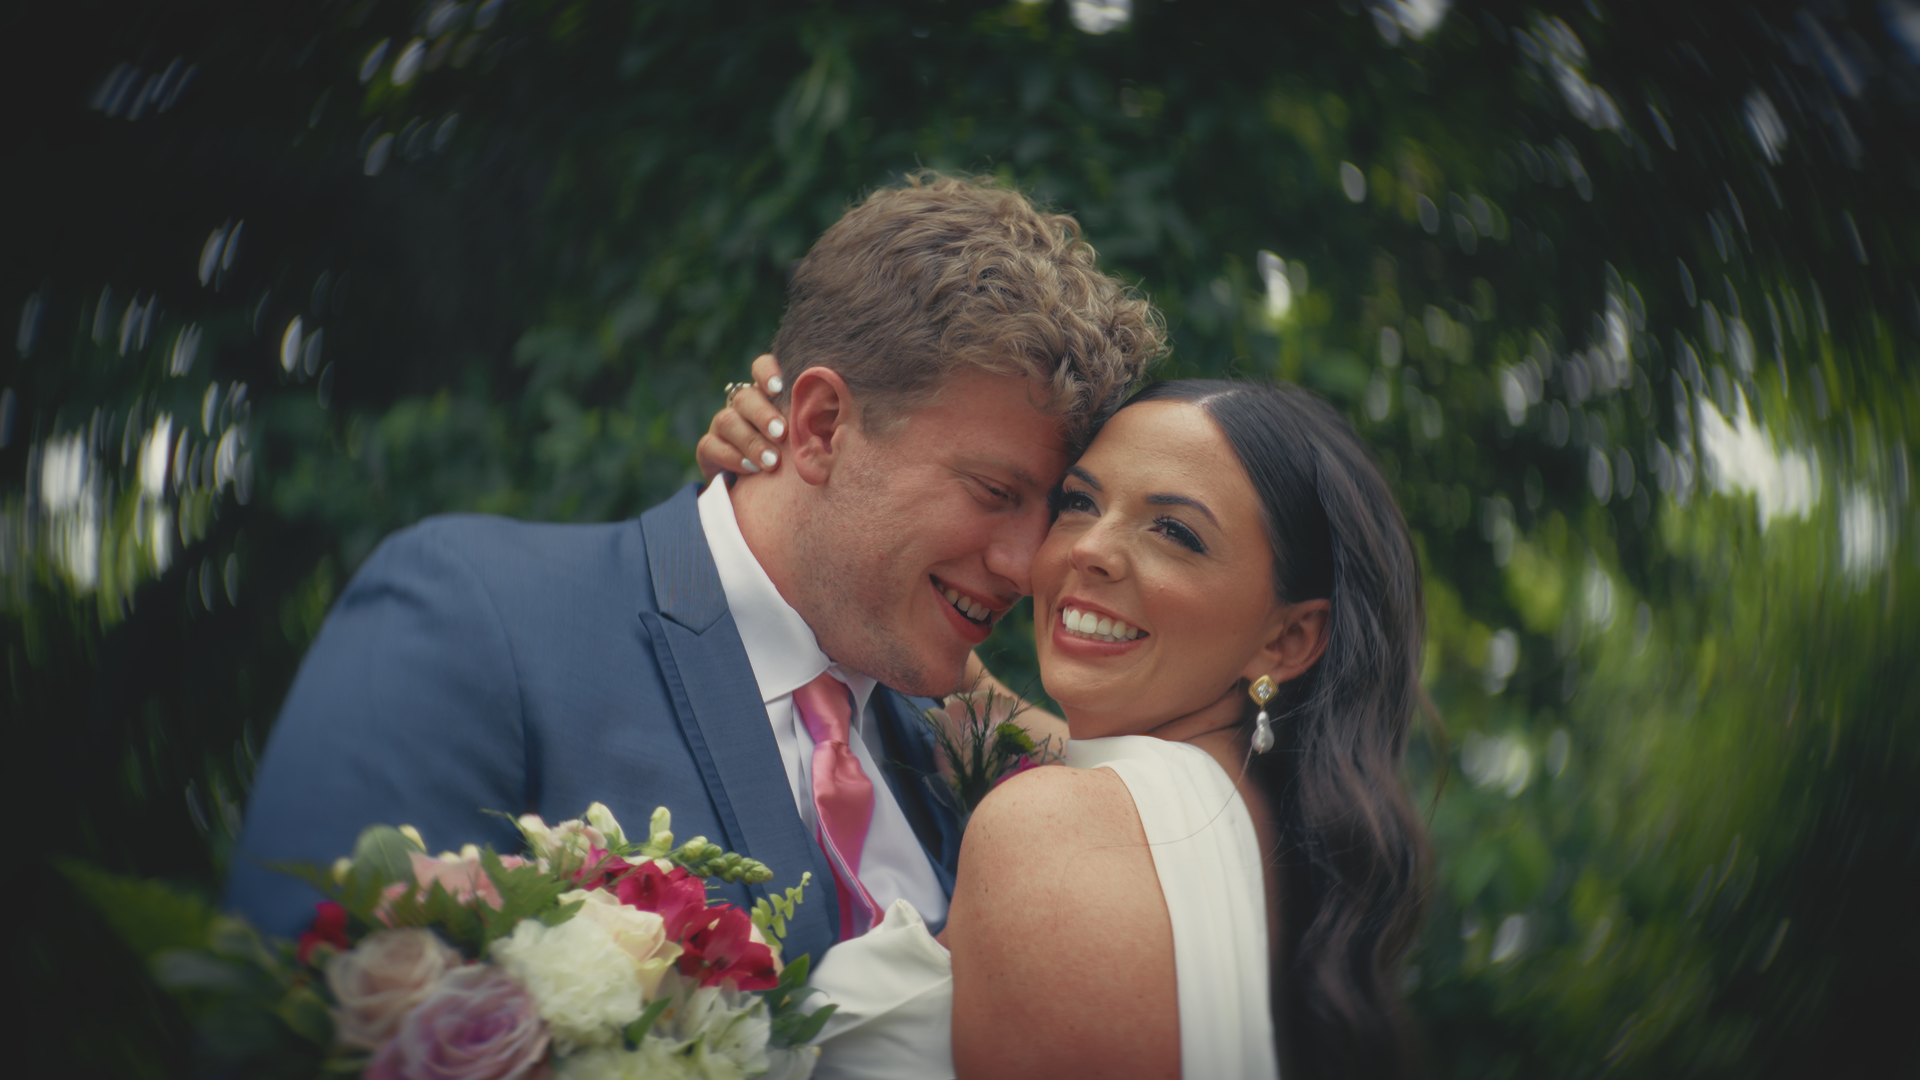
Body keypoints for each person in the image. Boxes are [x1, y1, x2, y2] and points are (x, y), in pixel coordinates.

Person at [225, 171, 1162, 977]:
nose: (1028, 564)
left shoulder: (966, 759)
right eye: (995, 490)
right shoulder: (475, 610)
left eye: (1050, 509)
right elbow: (289, 1013)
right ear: (822, 426)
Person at [701, 377, 1433, 1078]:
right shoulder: (1257, 827)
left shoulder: (1054, 823)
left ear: (1289, 641)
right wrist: (798, 481)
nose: (1088, 548)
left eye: (1175, 531)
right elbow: (983, 705)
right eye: (1080, 503)